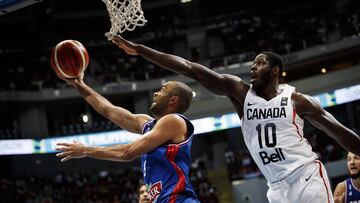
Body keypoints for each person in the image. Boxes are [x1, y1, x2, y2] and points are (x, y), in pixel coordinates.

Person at [110, 35, 360, 203]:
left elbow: (339, 133)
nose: (253, 67)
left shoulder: (297, 101)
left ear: (275, 72)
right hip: (276, 187)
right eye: (252, 63)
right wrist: (141, 50)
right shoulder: (241, 94)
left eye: (260, 63)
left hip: (306, 177)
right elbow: (189, 67)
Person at [55, 72, 200, 203]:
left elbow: (127, 152)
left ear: (173, 100)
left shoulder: (175, 121)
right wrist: (79, 84)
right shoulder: (148, 125)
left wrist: (86, 150)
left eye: (163, 90)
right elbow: (108, 110)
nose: (156, 93)